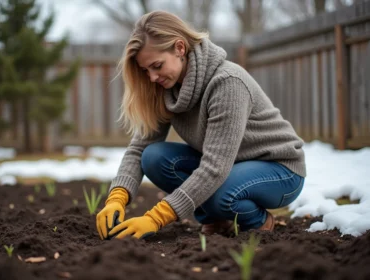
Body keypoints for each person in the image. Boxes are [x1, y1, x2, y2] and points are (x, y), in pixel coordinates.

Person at [96, 11, 306, 240]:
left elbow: (215, 167)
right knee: (153, 157)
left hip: (279, 169)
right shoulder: (167, 89)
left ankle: (258, 223)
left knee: (222, 194)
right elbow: (138, 149)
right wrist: (117, 198)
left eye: (157, 65)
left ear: (179, 48)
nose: (152, 77)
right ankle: (215, 220)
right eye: (146, 70)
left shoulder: (228, 83)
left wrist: (157, 217)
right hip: (231, 167)